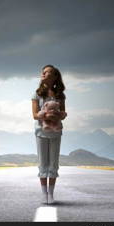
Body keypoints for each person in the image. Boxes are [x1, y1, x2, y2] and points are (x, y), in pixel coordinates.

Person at [31, 64, 67, 204]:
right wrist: (46, 116)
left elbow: (63, 113)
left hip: (56, 132)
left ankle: (51, 194)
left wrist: (59, 115)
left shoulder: (60, 95)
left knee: (53, 163)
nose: (44, 74)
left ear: (55, 76)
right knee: (43, 163)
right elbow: (34, 115)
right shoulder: (37, 94)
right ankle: (43, 194)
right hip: (41, 131)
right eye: (43, 72)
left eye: (47, 72)